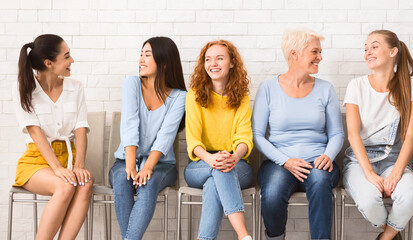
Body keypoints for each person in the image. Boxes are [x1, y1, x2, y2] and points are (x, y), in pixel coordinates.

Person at [252, 28, 344, 240]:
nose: (320, 57)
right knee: (273, 195)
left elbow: (337, 132)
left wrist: (328, 156)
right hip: (279, 162)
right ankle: (276, 237)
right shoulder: (268, 88)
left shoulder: (326, 89)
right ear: (295, 53)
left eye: (320, 52)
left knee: (320, 182)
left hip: (318, 160)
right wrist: (285, 161)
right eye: (315, 52)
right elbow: (257, 135)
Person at [342, 30, 413, 240]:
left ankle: (385, 237)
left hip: (394, 161)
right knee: (370, 201)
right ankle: (392, 235)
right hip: (359, 163)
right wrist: (369, 173)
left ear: (393, 51)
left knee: (409, 195)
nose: (368, 52)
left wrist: (396, 174)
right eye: (366, 48)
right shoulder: (356, 85)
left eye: (375, 46)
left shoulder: (411, 84)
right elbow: (353, 135)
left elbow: (412, 134)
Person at [12, 34, 92, 239]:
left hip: (70, 158)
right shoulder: (23, 88)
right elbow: (34, 132)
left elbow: (81, 129)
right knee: (66, 185)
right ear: (49, 63)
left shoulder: (76, 87)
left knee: (85, 183)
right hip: (37, 161)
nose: (71, 61)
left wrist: (79, 166)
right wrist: (56, 168)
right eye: (66, 56)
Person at [109, 36, 186, 240]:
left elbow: (166, 136)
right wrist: (131, 166)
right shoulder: (131, 83)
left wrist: (147, 167)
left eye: (147, 55)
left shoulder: (179, 96)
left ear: (164, 61)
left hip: (161, 165)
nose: (141, 60)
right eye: (141, 55)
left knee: (147, 183)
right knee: (122, 179)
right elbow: (129, 126)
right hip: (125, 160)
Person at [184, 40, 253, 240]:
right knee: (219, 169)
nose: (213, 63)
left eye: (219, 58)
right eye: (208, 59)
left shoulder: (242, 97)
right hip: (200, 163)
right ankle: (243, 235)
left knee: (217, 178)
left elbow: (244, 137)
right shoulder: (194, 96)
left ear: (232, 62)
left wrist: (233, 157)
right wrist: (211, 159)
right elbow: (193, 141)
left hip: (237, 163)